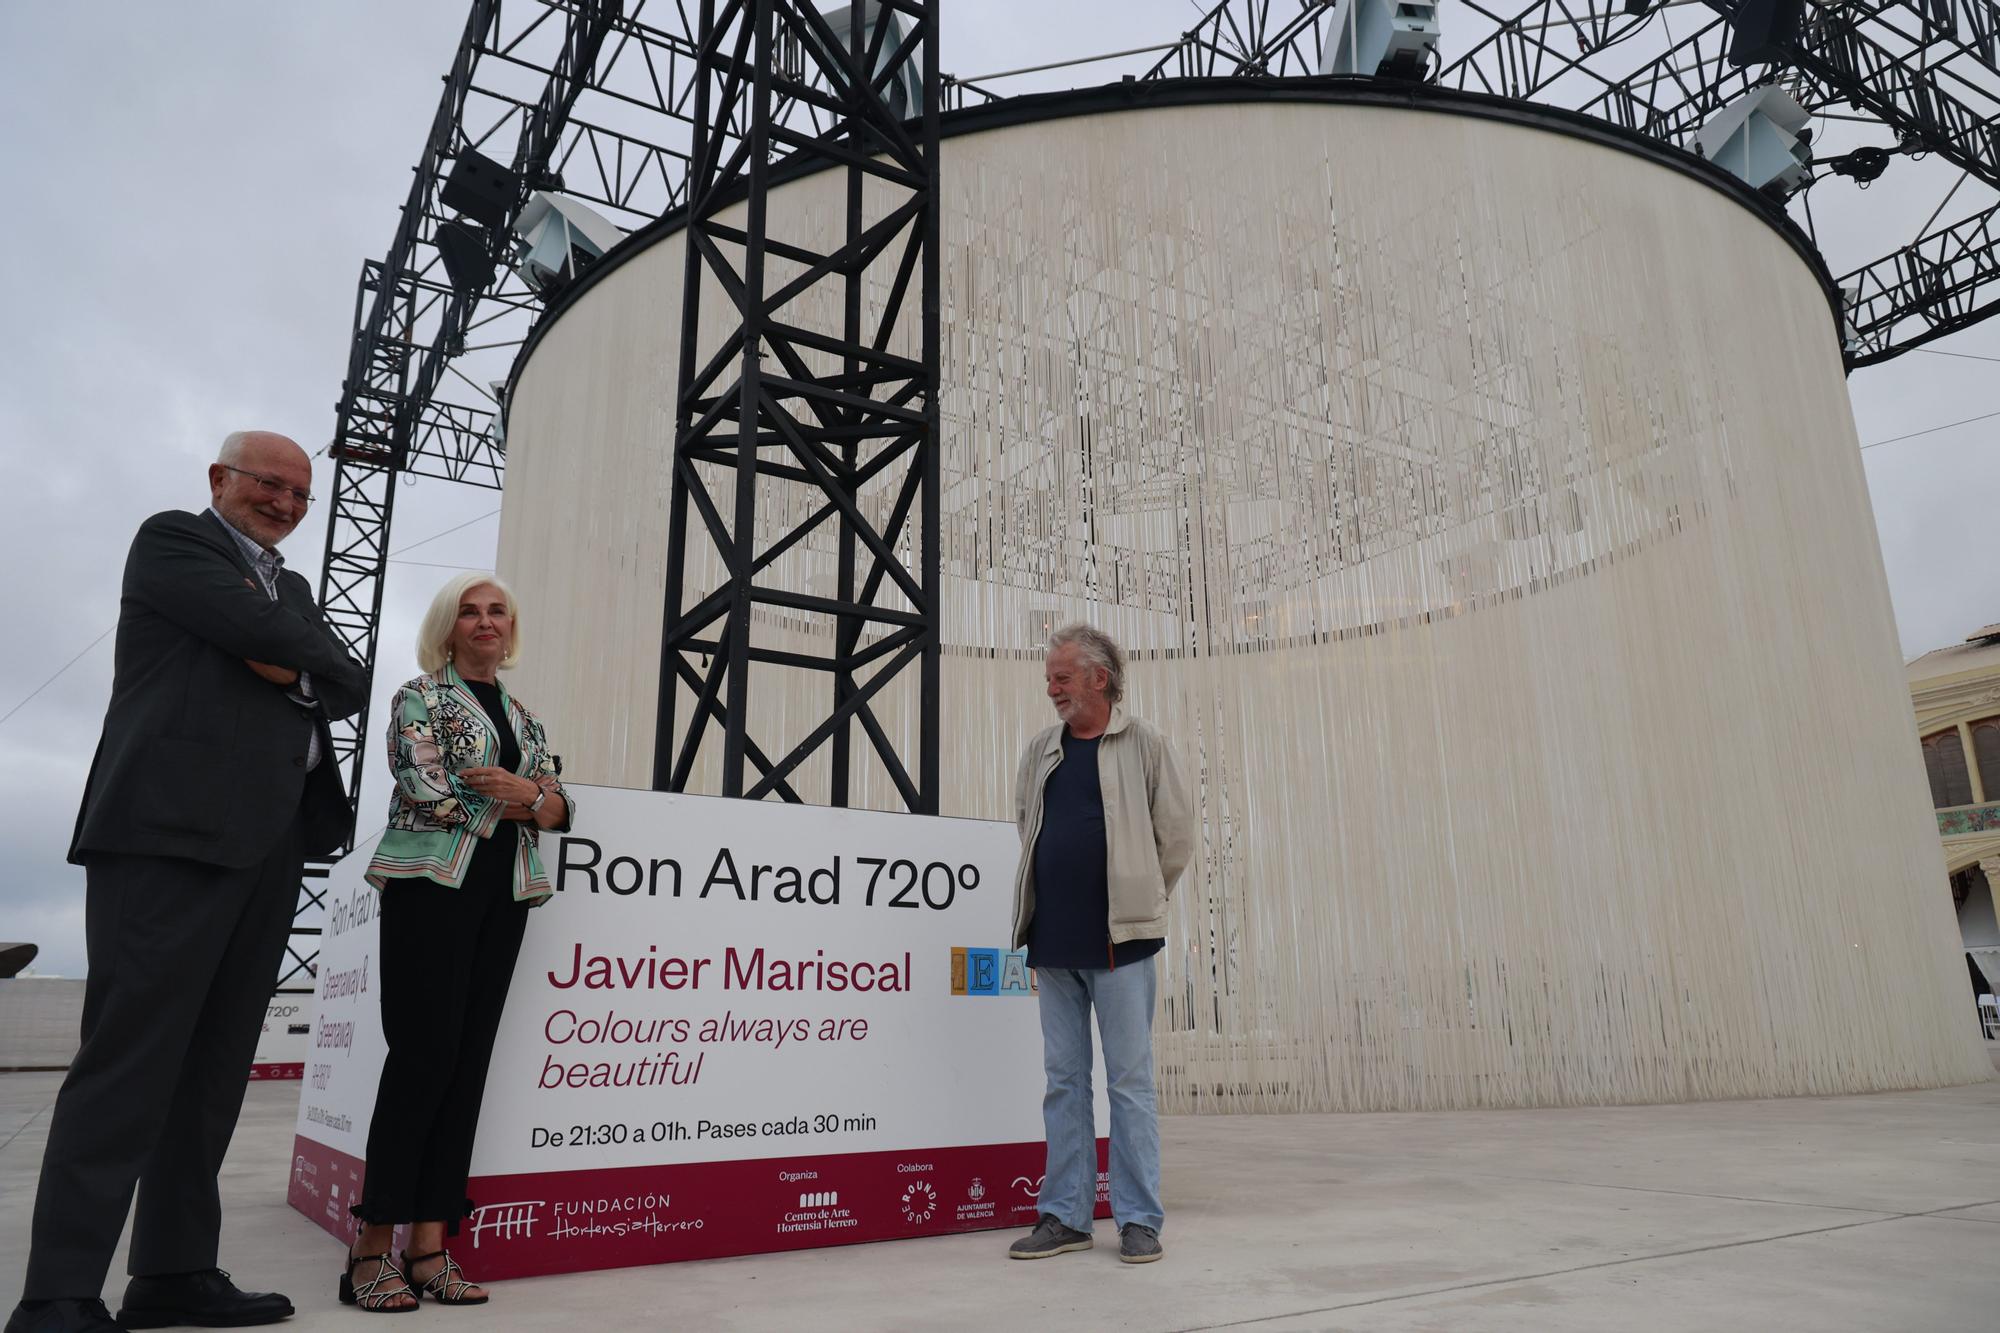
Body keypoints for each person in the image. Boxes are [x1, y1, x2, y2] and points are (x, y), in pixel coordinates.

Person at [9, 432, 368, 1333]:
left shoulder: (292, 585)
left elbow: (348, 675)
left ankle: (173, 1269)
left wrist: (295, 659)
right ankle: (57, 1293)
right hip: (167, 837)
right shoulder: (174, 540)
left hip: (269, 842)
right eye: (268, 484)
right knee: (128, 1064)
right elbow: (271, 640)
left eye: (300, 492)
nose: (285, 503)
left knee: (212, 1074)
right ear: (221, 480)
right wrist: (298, 658)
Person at [341, 573, 573, 1313]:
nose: (484, 622)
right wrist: (522, 800)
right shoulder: (419, 696)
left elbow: (561, 804)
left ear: (511, 626)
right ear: (448, 626)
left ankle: (429, 1247)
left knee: (467, 1065)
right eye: (469, 612)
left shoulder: (527, 716)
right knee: (422, 1059)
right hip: (430, 888)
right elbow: (424, 785)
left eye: (496, 610)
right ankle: (369, 1250)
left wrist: (529, 795)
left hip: (504, 895)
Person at [1006, 623, 1192, 1266]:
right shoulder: (1041, 749)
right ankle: (1066, 1216)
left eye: (1062, 677)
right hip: (1052, 941)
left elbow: (1176, 837)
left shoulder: (1144, 743)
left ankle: (1139, 1219)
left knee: (1130, 1085)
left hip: (1123, 945)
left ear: (1099, 679)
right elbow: (1027, 825)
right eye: (1050, 678)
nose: (1051, 688)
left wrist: (1142, 899)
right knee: (1064, 1082)